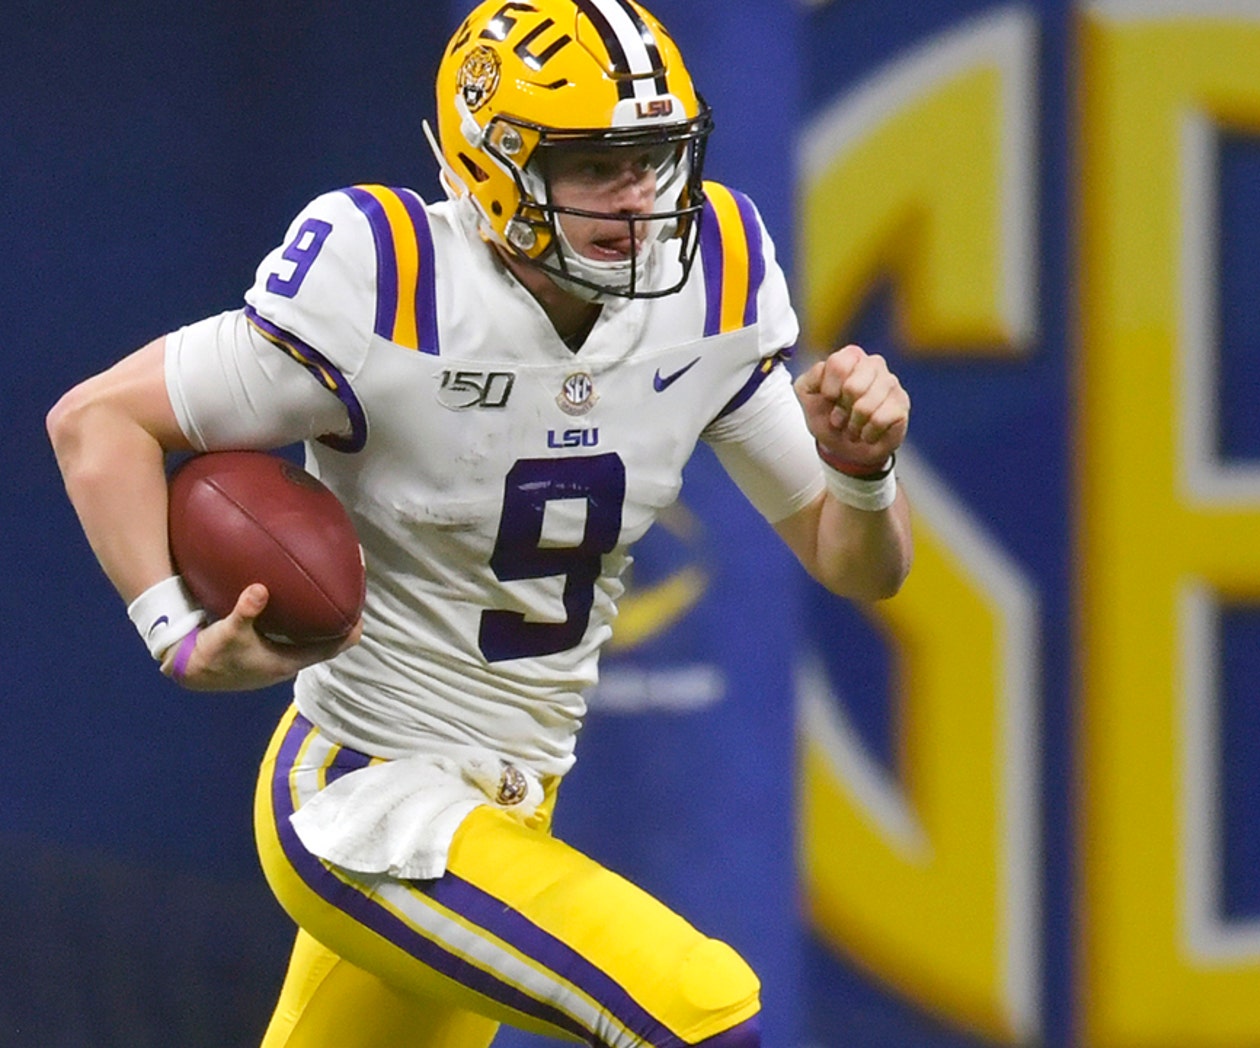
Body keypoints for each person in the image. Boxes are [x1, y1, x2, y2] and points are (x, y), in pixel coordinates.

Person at [44, 0, 911, 1045]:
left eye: (654, 157)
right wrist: (175, 634)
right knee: (701, 1012)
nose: (638, 197)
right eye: (595, 165)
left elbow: (852, 561)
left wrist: (863, 474)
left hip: (509, 803)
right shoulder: (393, 282)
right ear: (492, 164)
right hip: (366, 797)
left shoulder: (711, 275)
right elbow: (97, 422)